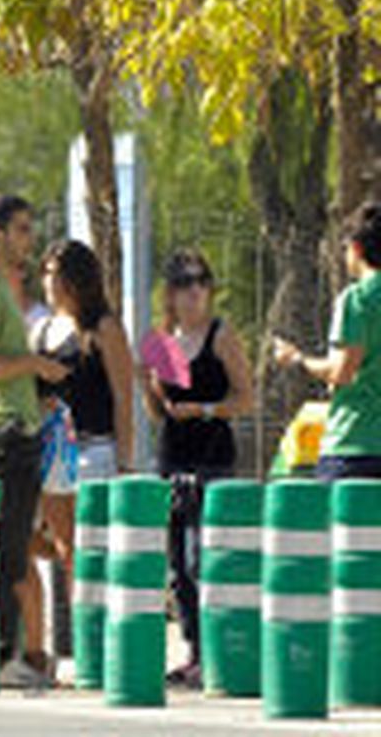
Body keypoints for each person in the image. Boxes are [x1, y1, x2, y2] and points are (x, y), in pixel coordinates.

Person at [0, 194, 69, 690]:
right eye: (21, 229)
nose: (29, 239)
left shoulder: (0, 290)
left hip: (16, 430)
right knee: (6, 551)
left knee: (12, 549)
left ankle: (3, 651)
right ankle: (0, 655)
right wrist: (33, 365)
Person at [23, 239, 136, 681]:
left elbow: (124, 395)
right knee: (66, 549)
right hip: (53, 452)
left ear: (75, 278)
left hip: (96, 449)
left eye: (55, 273)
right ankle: (73, 643)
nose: (48, 281)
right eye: (45, 272)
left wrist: (125, 461)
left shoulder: (104, 327)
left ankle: (99, 645)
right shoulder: (42, 330)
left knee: (93, 551)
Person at [142, 248, 255, 688]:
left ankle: (215, 652)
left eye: (202, 282)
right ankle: (193, 651)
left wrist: (206, 409)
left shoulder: (221, 336)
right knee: (176, 564)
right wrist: (148, 385)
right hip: (172, 456)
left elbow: (246, 398)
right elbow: (160, 412)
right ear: (169, 292)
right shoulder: (162, 339)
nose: (195, 292)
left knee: (200, 558)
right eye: (185, 283)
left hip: (212, 457)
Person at [275, 201, 381, 480]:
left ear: (357, 249)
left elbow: (342, 372)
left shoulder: (357, 299)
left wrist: (297, 359)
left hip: (356, 444)